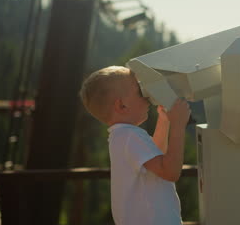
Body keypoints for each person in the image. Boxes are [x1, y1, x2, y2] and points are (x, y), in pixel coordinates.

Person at [79, 65, 191, 225]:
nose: (146, 95)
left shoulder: (122, 136)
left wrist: (165, 121)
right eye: (140, 91)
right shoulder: (131, 136)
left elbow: (156, 157)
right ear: (121, 106)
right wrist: (178, 125)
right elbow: (170, 171)